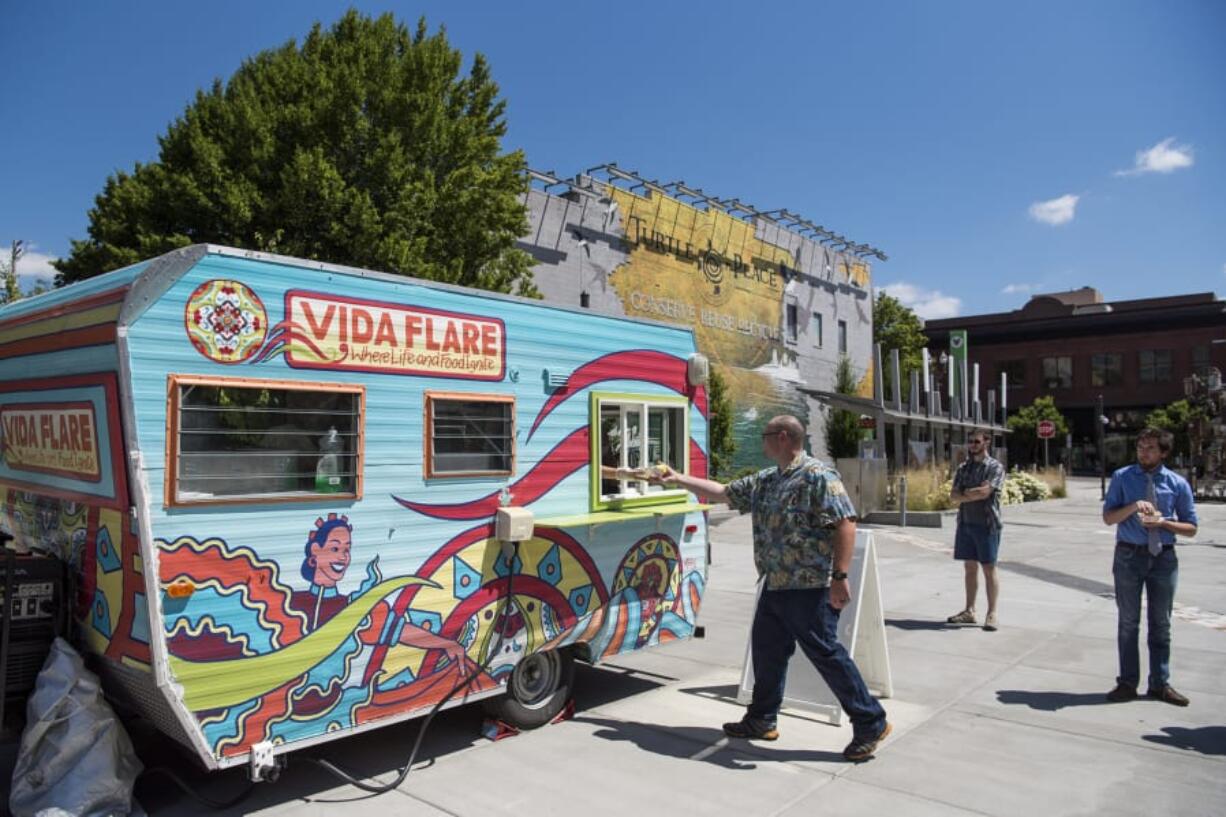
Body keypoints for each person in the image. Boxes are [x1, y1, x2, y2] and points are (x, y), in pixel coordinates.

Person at [648, 415, 890, 762]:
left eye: (764, 436)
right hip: (774, 584)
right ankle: (762, 719)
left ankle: (871, 721)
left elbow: (845, 523)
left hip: (808, 586)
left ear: (781, 437)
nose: (761, 443)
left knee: (826, 655)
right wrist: (677, 478)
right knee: (767, 652)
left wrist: (840, 577)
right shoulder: (769, 479)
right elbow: (722, 492)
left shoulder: (818, 476)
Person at [1102, 428, 1198, 706]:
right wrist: (1133, 507)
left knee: (1161, 624)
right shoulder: (1122, 477)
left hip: (1163, 558)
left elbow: (1191, 527)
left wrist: (1164, 523)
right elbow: (1109, 518)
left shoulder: (1178, 483)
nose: (1144, 452)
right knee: (1128, 623)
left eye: (1151, 448)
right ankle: (1127, 683)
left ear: (1164, 452)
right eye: (1141, 446)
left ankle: (1160, 683)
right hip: (1129, 556)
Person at [945, 428, 1006, 631]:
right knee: (969, 568)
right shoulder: (964, 468)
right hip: (966, 523)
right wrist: (972, 493)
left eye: (977, 441)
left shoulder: (995, 467)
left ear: (986, 443)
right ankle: (969, 610)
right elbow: (954, 495)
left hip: (987, 524)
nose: (973, 445)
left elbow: (986, 492)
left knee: (989, 568)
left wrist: (967, 493)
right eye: (970, 442)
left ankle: (992, 613)